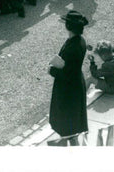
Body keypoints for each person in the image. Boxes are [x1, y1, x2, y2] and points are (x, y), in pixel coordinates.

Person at [49, 10, 89, 142]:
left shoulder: (73, 47)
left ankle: (69, 139)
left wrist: (51, 70)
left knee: (66, 117)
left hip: (68, 87)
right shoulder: (80, 40)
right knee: (73, 117)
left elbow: (66, 73)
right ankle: (71, 138)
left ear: (69, 26)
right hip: (75, 82)